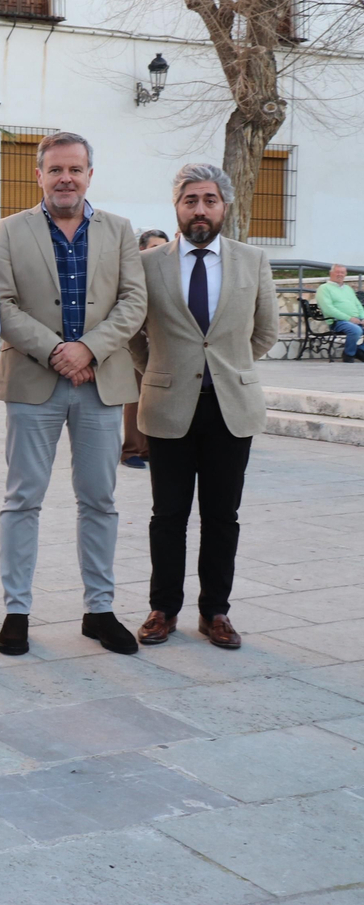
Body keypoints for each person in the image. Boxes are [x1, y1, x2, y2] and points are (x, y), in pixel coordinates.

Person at [0, 131, 147, 657]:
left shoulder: (120, 231)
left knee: (99, 501)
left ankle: (99, 610)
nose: (65, 178)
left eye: (75, 170)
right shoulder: (11, 231)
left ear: (89, 175)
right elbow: (2, 304)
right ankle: (16, 612)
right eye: (55, 169)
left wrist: (89, 350)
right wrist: (59, 350)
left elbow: (133, 302)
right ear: (38, 175)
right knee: (22, 499)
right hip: (35, 382)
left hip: (100, 385)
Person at [132, 165, 278, 650]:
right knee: (167, 515)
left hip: (230, 407)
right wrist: (166, 368)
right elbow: (133, 334)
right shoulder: (149, 264)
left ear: (224, 207)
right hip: (168, 404)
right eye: (191, 200)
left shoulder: (252, 260)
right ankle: (163, 609)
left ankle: (216, 611)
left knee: (222, 515)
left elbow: (265, 333)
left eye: (209, 200)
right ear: (177, 206)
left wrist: (224, 364)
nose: (200, 209)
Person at [123, 229, 172, 468]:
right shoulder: (133, 272)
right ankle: (130, 449)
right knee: (135, 395)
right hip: (137, 343)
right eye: (154, 247)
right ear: (142, 250)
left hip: (163, 346)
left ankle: (147, 448)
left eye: (163, 247)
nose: (159, 252)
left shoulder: (170, 272)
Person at [316, 263, 363, 362]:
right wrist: (349, 318)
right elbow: (328, 309)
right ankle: (349, 354)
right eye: (337, 272)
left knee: (356, 328)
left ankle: (360, 350)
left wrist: (363, 318)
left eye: (342, 272)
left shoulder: (348, 289)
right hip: (338, 321)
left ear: (345, 274)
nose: (340, 274)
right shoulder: (324, 288)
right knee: (355, 330)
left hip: (356, 320)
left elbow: (358, 305)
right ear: (331, 273)